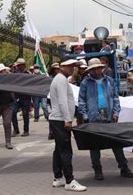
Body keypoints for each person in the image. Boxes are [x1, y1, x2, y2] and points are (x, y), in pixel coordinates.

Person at [78, 58, 133, 181]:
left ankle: (124, 168)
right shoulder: (85, 82)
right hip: (93, 118)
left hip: (109, 116)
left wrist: (116, 112)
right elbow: (81, 101)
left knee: (117, 144)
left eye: (99, 68)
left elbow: (115, 98)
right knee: (94, 147)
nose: (97, 70)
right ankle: (97, 170)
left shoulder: (109, 81)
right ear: (90, 70)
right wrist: (85, 116)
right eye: (94, 68)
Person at [49, 59, 87, 192]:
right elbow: (62, 101)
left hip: (58, 119)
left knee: (59, 150)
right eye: (69, 66)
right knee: (66, 150)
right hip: (60, 119)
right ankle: (69, 181)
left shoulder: (61, 79)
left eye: (73, 66)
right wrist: (67, 119)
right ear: (61, 67)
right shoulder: (61, 80)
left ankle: (58, 178)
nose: (72, 68)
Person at [12, 58, 31, 137]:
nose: (18, 67)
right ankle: (16, 130)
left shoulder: (28, 74)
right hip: (16, 97)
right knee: (13, 112)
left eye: (19, 65)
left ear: (23, 65)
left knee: (25, 114)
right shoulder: (14, 73)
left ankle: (26, 130)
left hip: (26, 97)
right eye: (17, 66)